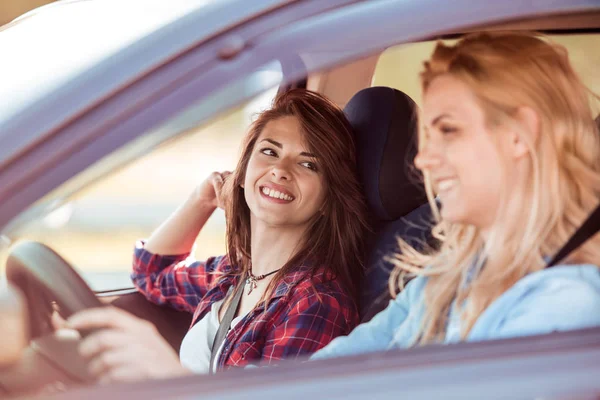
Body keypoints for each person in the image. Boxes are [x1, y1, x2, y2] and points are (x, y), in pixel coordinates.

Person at [311, 32, 600, 361]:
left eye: (448, 130)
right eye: (428, 136)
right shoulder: (449, 276)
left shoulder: (566, 304)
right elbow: (341, 362)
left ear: (519, 135)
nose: (423, 160)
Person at [64, 89, 369, 382]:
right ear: (243, 170)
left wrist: (168, 375)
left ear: (330, 198)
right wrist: (202, 199)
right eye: (269, 151)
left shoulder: (315, 303)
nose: (280, 170)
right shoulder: (234, 272)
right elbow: (150, 273)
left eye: (307, 164)